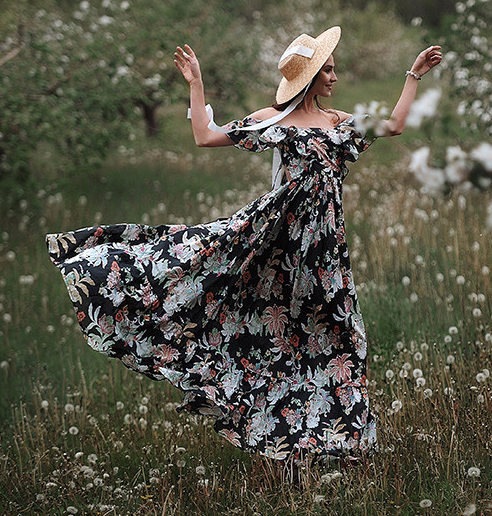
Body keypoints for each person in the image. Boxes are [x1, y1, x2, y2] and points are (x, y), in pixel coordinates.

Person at [46, 26, 442, 465]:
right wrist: (196, 84)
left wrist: (413, 75)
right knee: (274, 335)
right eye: (327, 70)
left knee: (343, 336)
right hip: (280, 247)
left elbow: (394, 126)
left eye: (333, 69)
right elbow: (205, 136)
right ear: (309, 77)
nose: (334, 77)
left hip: (326, 253)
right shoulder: (272, 121)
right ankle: (287, 437)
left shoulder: (337, 122)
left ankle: (340, 445)